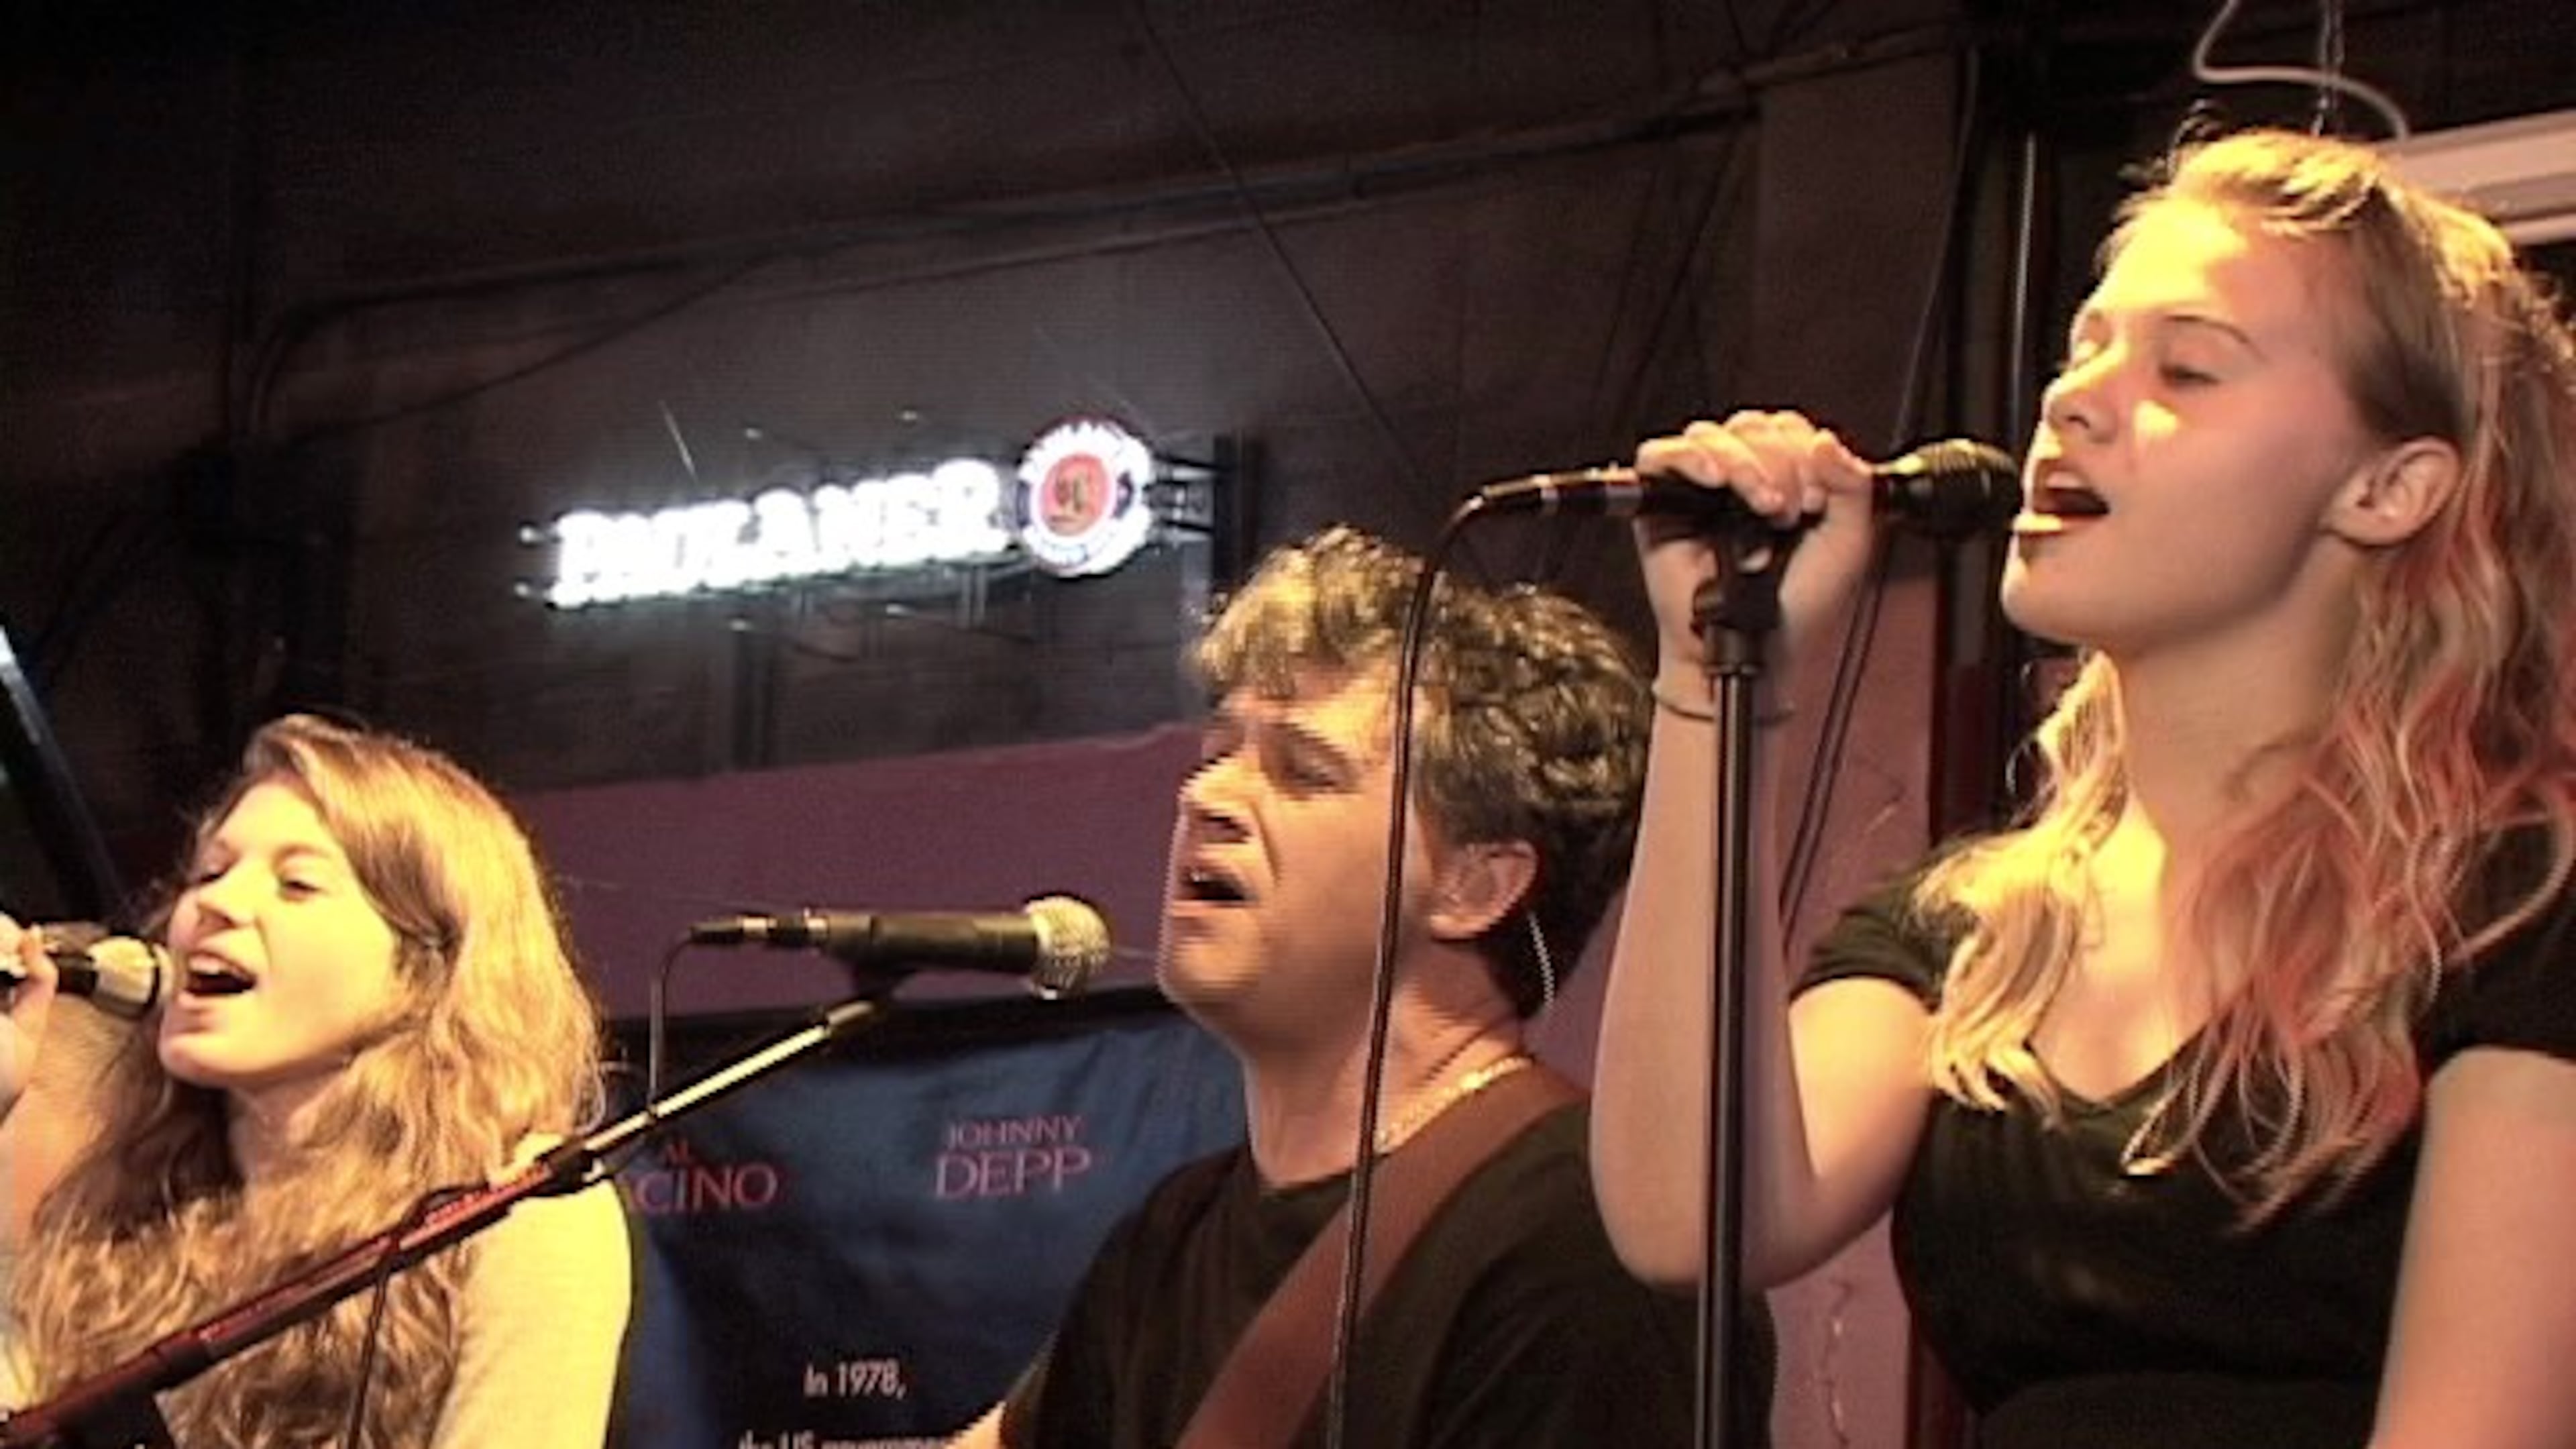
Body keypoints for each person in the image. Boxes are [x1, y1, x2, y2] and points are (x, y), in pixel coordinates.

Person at [1590, 124, 2576, 1448]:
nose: (2076, 398)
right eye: (2083, 349)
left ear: (2389, 487)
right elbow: (1687, 1213)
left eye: (2187, 367)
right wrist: (1722, 676)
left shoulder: (2518, 910)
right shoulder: (1973, 935)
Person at [954, 525, 1769, 1448]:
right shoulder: (1171, 1237)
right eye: (1218, 750)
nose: (1207, 796)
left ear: (1477, 885)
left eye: (1302, 770)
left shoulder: (1588, 1242)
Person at [0, 713, 633, 1447]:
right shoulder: (120, 1210)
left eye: (297, 885)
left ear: (422, 967)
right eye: (209, 872)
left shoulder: (520, 1211)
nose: (216, 904)